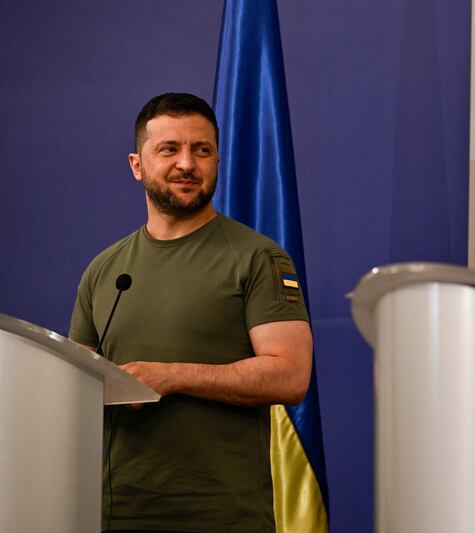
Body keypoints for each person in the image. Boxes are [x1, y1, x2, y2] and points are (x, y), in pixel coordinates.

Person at [69, 92, 312, 533]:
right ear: (136, 165)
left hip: (221, 515)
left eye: (202, 150)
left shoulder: (258, 258)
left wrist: (174, 376)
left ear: (217, 161)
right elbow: (72, 392)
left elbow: (290, 376)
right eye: (169, 149)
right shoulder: (104, 271)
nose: (187, 164)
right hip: (117, 513)